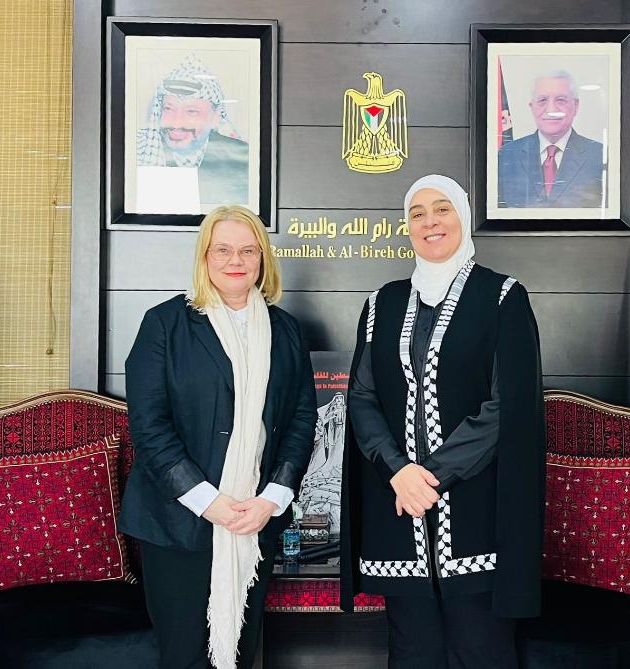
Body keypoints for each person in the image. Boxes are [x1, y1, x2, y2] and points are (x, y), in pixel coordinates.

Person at [341, 175, 545, 668]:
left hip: (477, 513)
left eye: (442, 209)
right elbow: (362, 397)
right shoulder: (382, 304)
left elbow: (508, 405)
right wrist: (398, 472)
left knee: (481, 650)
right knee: (412, 652)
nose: (430, 222)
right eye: (417, 213)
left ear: (463, 217)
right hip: (399, 510)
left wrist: (429, 477)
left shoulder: (502, 297)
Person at [120, 205, 317, 669]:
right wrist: (207, 500)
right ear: (204, 256)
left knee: (243, 654)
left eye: (248, 250)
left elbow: (301, 419)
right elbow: (149, 426)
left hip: (255, 519)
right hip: (177, 523)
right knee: (186, 656)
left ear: (262, 258)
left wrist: (272, 498)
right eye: (223, 249)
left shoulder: (286, 330)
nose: (236, 260)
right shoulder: (165, 324)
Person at [136, 54, 250, 205]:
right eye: (168, 108)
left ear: (215, 117)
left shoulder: (243, 159)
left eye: (191, 111)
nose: (176, 123)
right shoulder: (138, 151)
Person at [498, 71, 605, 209]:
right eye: (542, 100)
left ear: (576, 106)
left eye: (560, 100)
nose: (551, 109)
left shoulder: (600, 155)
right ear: (532, 106)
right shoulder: (506, 155)